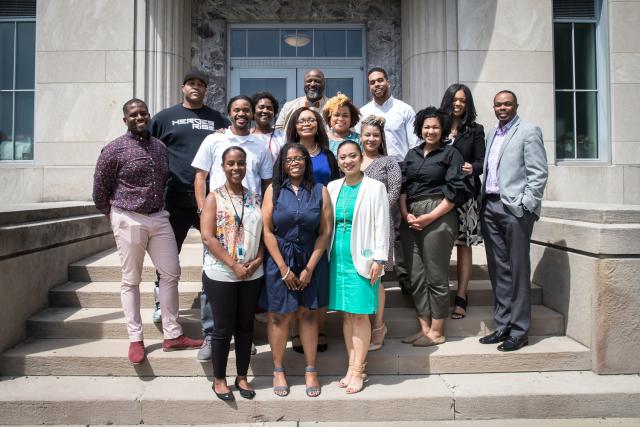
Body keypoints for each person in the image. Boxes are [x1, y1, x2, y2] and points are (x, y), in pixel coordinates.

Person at [92, 98, 203, 365]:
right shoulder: (113, 149)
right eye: (134, 114)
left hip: (159, 217)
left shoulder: (159, 147)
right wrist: (118, 216)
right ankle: (136, 339)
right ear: (125, 120)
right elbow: (99, 192)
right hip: (128, 218)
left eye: (143, 113)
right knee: (131, 279)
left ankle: (172, 334)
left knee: (171, 273)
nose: (139, 117)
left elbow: (164, 179)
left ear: (149, 116)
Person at [148, 69, 229, 361]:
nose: (196, 88)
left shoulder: (218, 119)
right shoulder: (164, 117)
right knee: (169, 255)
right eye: (191, 83)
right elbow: (149, 148)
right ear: (183, 87)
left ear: (206, 90)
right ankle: (162, 303)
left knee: (217, 250)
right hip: (173, 195)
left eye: (201, 85)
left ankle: (220, 302)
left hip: (209, 198)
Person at [192, 95, 272, 359]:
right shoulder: (214, 140)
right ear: (228, 113)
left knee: (246, 279)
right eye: (236, 110)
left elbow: (268, 183)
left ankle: (242, 336)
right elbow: (200, 176)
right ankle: (210, 335)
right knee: (214, 278)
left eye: (245, 110)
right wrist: (204, 210)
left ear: (251, 114)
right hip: (221, 218)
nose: (241, 114)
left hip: (250, 217)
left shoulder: (259, 145)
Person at [261, 143, 333, 398]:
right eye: (289, 159)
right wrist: (283, 267)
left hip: (310, 256)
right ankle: (278, 369)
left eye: (299, 158)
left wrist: (310, 268)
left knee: (309, 314)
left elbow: (325, 232)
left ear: (306, 161)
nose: (294, 163)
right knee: (279, 316)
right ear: (282, 163)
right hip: (280, 258)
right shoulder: (273, 191)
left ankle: (311, 369)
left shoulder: (320, 191)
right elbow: (268, 230)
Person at [479, 90, 548, 352]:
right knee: (498, 269)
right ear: (493, 107)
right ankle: (503, 325)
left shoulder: (529, 131)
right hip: (490, 205)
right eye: (498, 104)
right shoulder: (491, 133)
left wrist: (525, 205)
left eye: (507, 104)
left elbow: (538, 173)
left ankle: (520, 330)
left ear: (516, 106)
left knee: (517, 269)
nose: (502, 107)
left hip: (514, 209)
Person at [400, 106, 468, 347]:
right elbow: (404, 187)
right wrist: (405, 213)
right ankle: (424, 329)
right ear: (420, 129)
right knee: (416, 275)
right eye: (427, 127)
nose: (431, 131)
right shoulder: (412, 154)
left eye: (436, 127)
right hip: (410, 218)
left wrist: (430, 216)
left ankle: (438, 331)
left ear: (443, 130)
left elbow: (456, 190)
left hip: (439, 214)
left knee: (436, 275)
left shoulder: (451, 154)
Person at [200, 146, 264, 401]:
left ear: (246, 166)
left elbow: (262, 231)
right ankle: (218, 379)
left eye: (240, 163)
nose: (236, 168)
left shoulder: (254, 197)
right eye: (230, 163)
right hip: (221, 273)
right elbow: (207, 237)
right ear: (222, 167)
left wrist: (258, 259)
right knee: (223, 328)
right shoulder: (213, 197)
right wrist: (234, 265)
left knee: (246, 327)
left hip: (251, 273)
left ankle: (241, 377)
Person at [328, 140, 390, 394]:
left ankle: (358, 371)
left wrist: (379, 258)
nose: (347, 161)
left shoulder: (374, 187)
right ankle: (350, 367)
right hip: (337, 258)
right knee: (347, 314)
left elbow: (382, 223)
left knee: (361, 314)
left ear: (361, 157)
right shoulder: (332, 187)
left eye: (352, 156)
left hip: (363, 258)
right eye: (342, 157)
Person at [358, 67, 419, 294]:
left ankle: (403, 273)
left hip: (399, 168)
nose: (377, 85)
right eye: (372, 82)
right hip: (369, 169)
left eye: (380, 80)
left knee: (398, 225)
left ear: (388, 82)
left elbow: (414, 145)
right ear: (369, 86)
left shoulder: (404, 109)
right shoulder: (363, 112)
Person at [285, 106, 340, 353]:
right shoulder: (288, 152)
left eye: (311, 120)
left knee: (319, 275)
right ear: (294, 126)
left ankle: (319, 327)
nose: (306, 123)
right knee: (297, 272)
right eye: (301, 120)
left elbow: (337, 184)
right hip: (295, 219)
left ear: (318, 124)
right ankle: (297, 330)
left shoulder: (328, 156)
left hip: (322, 217)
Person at [438, 83, 486, 319]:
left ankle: (462, 295)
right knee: (440, 244)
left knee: (463, 245)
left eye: (463, 101)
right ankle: (439, 294)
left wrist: (472, 168)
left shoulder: (475, 130)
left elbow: (481, 162)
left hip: (465, 195)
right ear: (447, 101)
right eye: (455, 99)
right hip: (439, 195)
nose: (458, 104)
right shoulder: (437, 125)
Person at [359, 115, 401, 351]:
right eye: (367, 134)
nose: (371, 138)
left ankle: (378, 326)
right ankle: (362, 323)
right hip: (357, 226)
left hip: (380, 224)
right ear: (360, 136)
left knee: (377, 277)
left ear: (381, 138)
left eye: (375, 135)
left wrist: (375, 212)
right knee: (360, 274)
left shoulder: (389, 162)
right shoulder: (352, 158)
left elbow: (394, 192)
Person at [251, 92, 286, 164]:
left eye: (269, 108)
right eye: (261, 107)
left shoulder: (283, 136)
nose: (265, 111)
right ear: (253, 111)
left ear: (274, 112)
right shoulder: (246, 136)